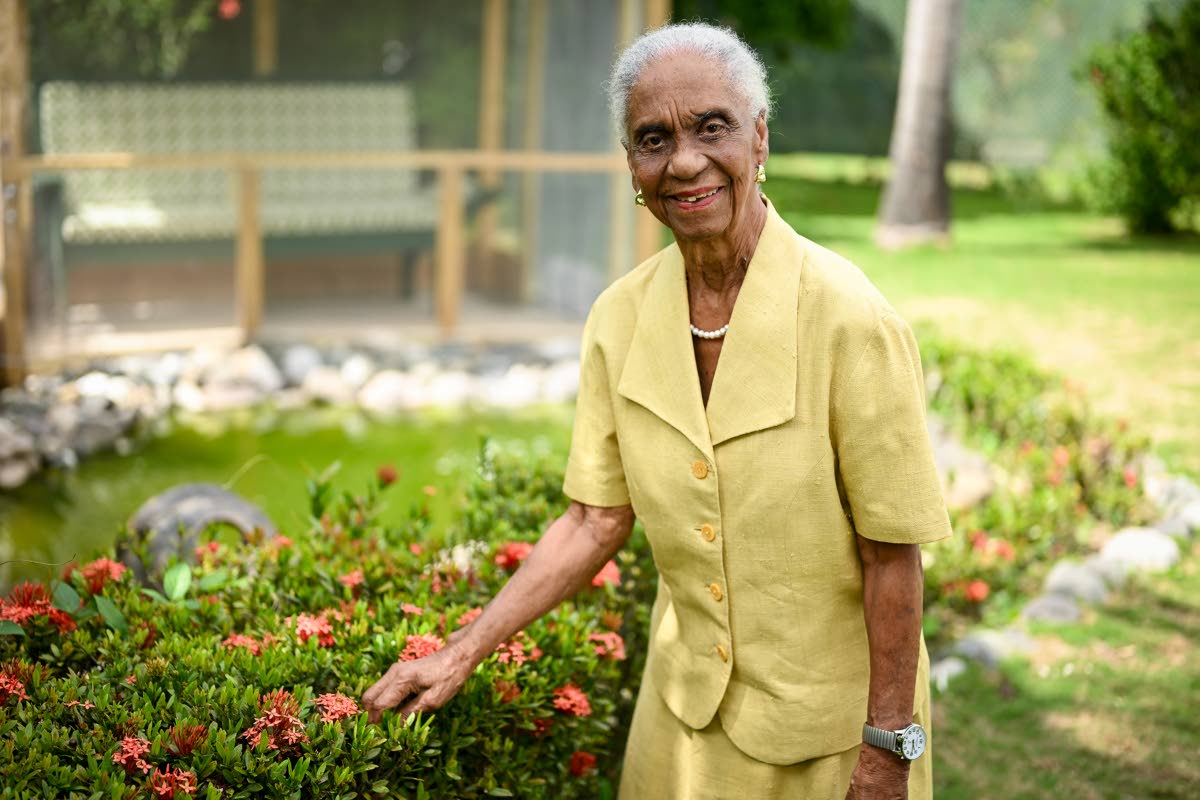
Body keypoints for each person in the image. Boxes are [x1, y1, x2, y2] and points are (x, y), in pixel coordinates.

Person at [363, 22, 952, 800]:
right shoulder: (619, 318)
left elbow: (891, 557)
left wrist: (886, 752)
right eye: (654, 139)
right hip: (678, 730)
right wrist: (460, 651)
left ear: (759, 138)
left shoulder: (851, 320)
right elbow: (592, 520)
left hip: (831, 741)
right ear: (632, 166)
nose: (683, 161)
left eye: (712, 127)